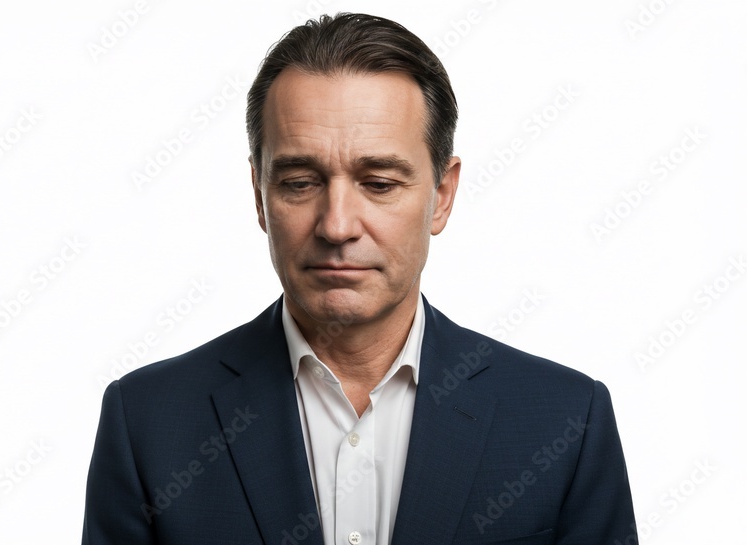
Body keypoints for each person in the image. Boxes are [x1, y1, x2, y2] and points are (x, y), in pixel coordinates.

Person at [83, 12, 636, 545]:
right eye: (300, 182)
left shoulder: (566, 421)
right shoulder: (147, 423)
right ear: (259, 196)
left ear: (442, 196)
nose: (337, 226)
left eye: (379, 183)